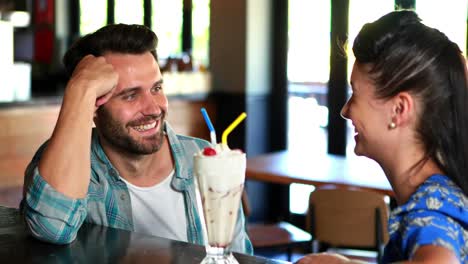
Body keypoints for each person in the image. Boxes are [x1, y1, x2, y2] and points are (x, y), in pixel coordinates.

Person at [19, 23, 253, 254]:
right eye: (130, 95)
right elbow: (51, 228)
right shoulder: (63, 159)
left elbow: (240, 256)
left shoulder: (207, 158)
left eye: (156, 88)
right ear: (92, 107)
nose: (153, 108)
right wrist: (80, 88)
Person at [298, 10, 467, 264]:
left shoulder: (430, 206)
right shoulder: (442, 192)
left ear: (399, 109)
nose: (345, 111)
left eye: (354, 94)